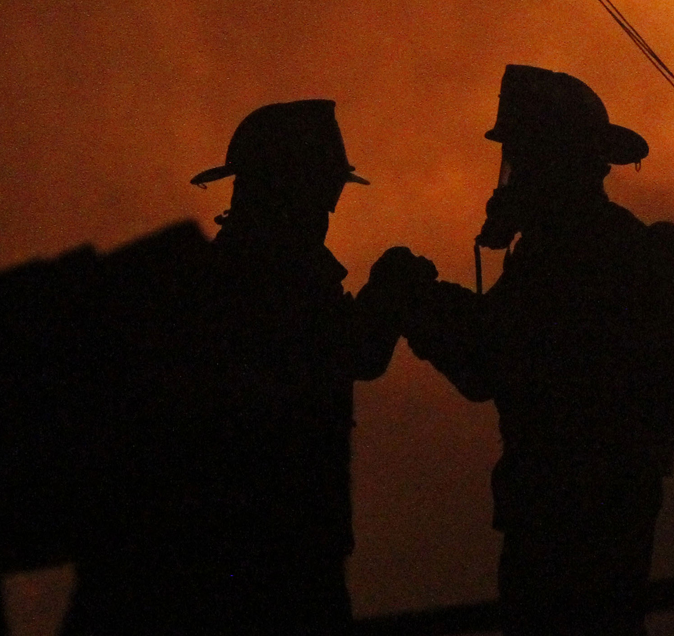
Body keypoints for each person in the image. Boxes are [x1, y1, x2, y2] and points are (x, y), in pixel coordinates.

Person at [64, 99, 433, 635]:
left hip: (259, 549)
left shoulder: (236, 271)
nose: (328, 210)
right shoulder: (261, 277)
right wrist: (391, 290)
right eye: (322, 192)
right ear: (290, 189)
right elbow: (348, 352)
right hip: (266, 556)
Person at [382, 65, 674, 635]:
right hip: (610, 508)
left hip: (564, 514)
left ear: (553, 162)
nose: (511, 177)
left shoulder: (570, 253)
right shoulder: (602, 243)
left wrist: (416, 298)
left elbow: (488, 360)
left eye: (523, 158)